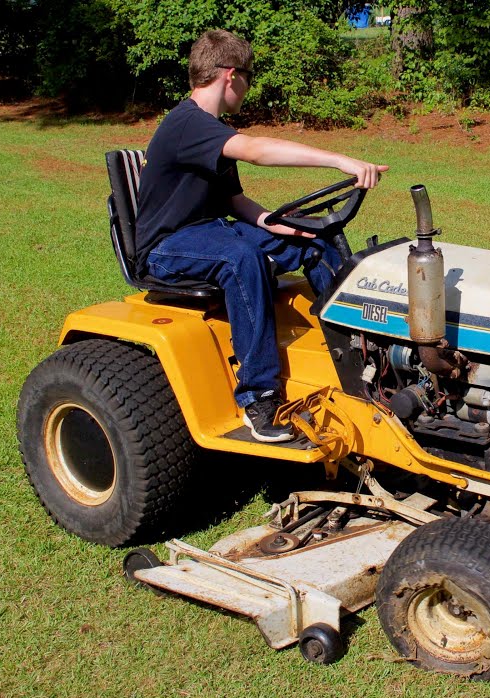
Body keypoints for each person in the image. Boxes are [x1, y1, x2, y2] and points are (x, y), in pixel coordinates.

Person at [135, 29, 388, 443]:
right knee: (240, 259)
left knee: (312, 237)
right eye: (249, 78)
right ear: (230, 75)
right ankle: (259, 396)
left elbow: (234, 201)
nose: (249, 89)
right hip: (166, 247)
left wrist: (274, 221)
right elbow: (257, 150)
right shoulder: (187, 124)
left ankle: (356, 347)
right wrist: (339, 160)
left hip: (212, 232)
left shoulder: (211, 129)